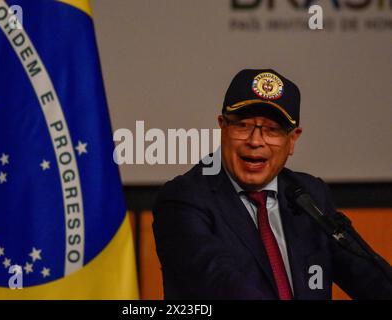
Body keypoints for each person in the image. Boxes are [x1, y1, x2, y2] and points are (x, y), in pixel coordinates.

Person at [152, 68, 392, 300]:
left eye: (272, 129)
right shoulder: (184, 199)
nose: (255, 140)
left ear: (292, 140)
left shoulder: (310, 195)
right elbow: (219, 282)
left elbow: (367, 275)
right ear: (222, 127)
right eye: (242, 125)